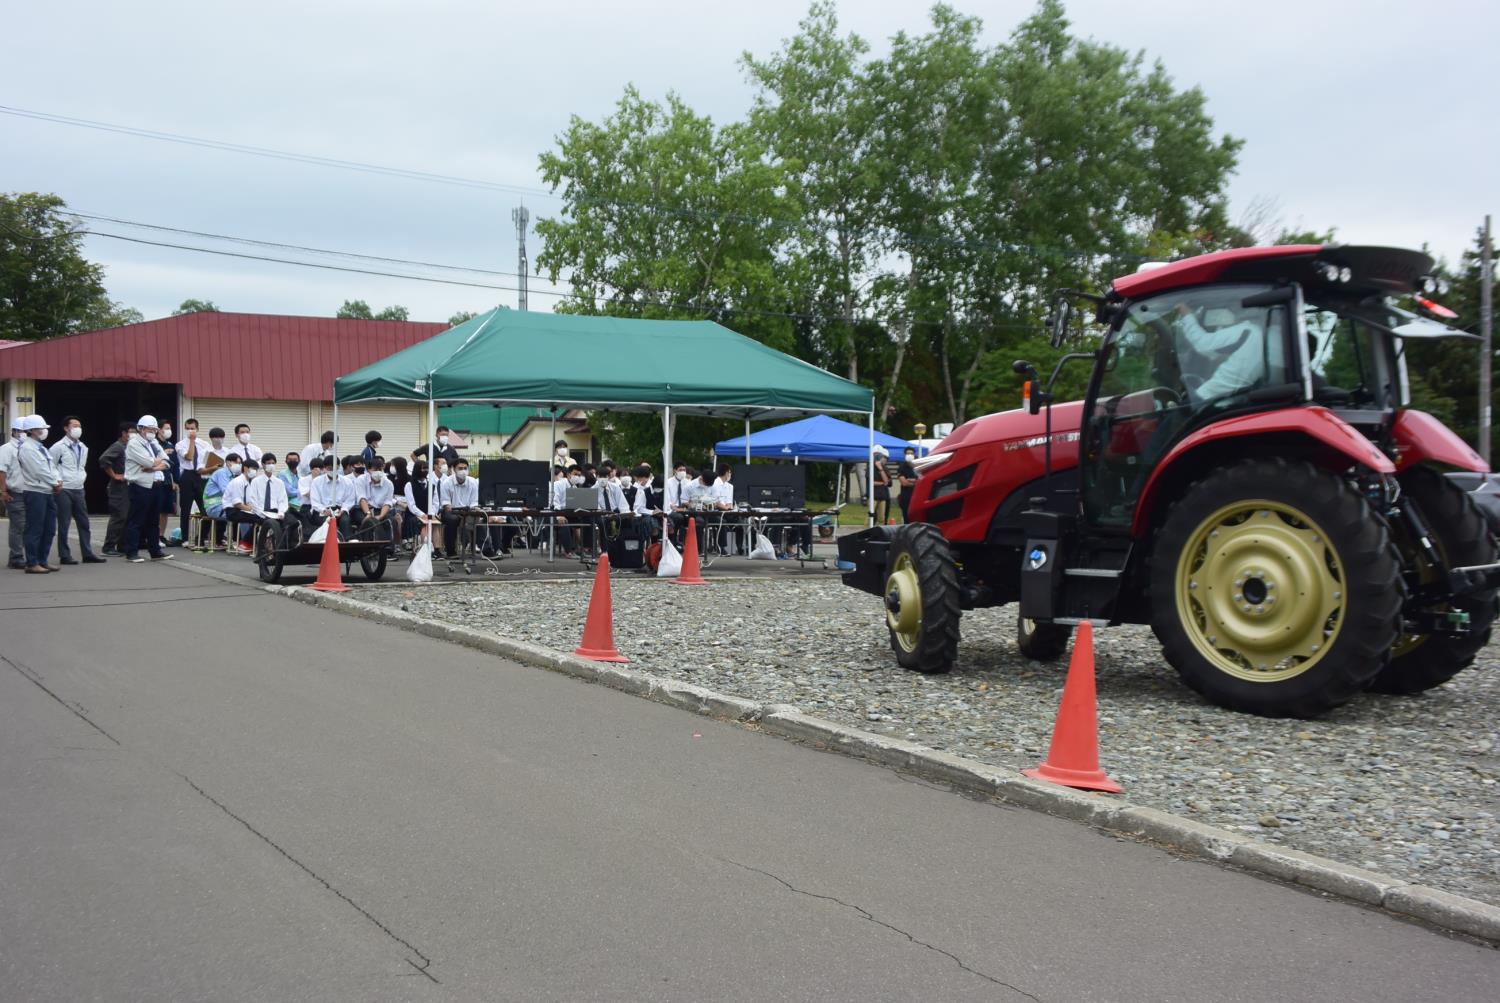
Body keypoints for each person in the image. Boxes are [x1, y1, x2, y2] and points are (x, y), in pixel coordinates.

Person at [49, 416, 104, 565]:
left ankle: (87, 553)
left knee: (84, 522)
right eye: (74, 425)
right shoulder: (58, 447)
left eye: (79, 425)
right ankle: (64, 555)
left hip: (79, 488)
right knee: (64, 522)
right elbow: (50, 465)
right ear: (66, 428)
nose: (77, 428)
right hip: (64, 488)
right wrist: (56, 480)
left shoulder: (83, 447)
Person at [15, 415, 63, 573]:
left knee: (49, 528)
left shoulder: (40, 447)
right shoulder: (27, 448)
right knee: (35, 528)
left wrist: (57, 479)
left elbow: (51, 467)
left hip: (46, 490)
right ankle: (32, 562)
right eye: (41, 429)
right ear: (32, 430)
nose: (43, 431)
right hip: (35, 491)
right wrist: (54, 482)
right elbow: (39, 470)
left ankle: (42, 559)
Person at [123, 415, 171, 563]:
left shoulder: (154, 442)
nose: (152, 432)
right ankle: (132, 552)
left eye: (154, 430)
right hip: (140, 485)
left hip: (156, 484)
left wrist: (156, 465)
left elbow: (167, 461)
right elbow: (147, 461)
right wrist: (157, 463)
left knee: (153, 521)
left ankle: (155, 551)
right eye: (149, 429)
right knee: (136, 520)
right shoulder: (134, 443)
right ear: (141, 429)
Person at [176, 418, 210, 545]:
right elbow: (189, 457)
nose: (190, 431)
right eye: (188, 428)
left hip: (200, 475)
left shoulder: (204, 444)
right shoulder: (180, 444)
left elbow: (208, 460)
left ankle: (201, 537)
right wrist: (191, 440)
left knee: (205, 507)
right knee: (185, 508)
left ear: (197, 429)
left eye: (193, 428)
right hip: (187, 475)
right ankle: (185, 537)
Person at [438, 457, 478, 558]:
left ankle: (485, 549)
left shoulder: (473, 482)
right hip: (451, 511)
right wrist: (454, 510)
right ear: (454, 469)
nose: (463, 471)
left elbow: (474, 502)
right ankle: (451, 551)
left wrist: (471, 510)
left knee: (480, 518)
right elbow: (446, 504)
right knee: (452, 520)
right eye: (460, 468)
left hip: (468, 511)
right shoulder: (447, 483)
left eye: (465, 468)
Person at [1, 415, 26, 568]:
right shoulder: (6, 449)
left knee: (27, 526)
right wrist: (3, 491)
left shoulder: (28, 448)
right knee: (18, 526)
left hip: (29, 492)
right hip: (14, 492)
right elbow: (1, 471)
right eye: (24, 431)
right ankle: (16, 557)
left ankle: (19, 556)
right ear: (15, 431)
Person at [357, 455, 398, 541]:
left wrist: (380, 516)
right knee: (370, 521)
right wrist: (368, 513)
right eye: (375, 470)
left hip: (380, 510)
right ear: (368, 470)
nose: (378, 472)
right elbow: (362, 498)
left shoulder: (388, 483)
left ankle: (389, 547)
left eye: (380, 470)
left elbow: (387, 502)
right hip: (363, 509)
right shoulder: (361, 480)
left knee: (391, 521)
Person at [204, 452, 240, 548]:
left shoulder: (233, 475)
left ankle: (224, 540)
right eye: (237, 463)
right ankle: (238, 541)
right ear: (228, 462)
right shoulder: (221, 473)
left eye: (240, 463)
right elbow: (226, 491)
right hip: (214, 506)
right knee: (239, 514)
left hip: (222, 505)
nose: (239, 465)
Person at [154, 420, 180, 548]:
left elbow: (175, 464)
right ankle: (153, 536)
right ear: (159, 429)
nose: (169, 430)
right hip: (156, 480)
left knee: (165, 510)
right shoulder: (153, 443)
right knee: (155, 509)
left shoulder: (170, 444)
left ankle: (161, 535)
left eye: (170, 428)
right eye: (166, 428)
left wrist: (176, 480)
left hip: (168, 482)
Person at [896, 446, 918, 524]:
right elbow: (904, 483)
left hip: (917, 496)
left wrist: (911, 480)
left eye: (911, 453)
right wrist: (916, 482)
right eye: (908, 453)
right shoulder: (902, 467)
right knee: (907, 518)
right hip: (906, 496)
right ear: (904, 455)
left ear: (915, 454)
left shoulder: (918, 465)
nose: (910, 455)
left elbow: (923, 479)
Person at [870, 446, 892, 525]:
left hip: (883, 495)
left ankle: (880, 534)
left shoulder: (885, 468)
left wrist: (880, 469)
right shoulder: (870, 467)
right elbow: (871, 482)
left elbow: (888, 482)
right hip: (873, 496)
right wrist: (882, 483)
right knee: (870, 517)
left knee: (882, 518)